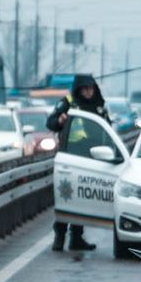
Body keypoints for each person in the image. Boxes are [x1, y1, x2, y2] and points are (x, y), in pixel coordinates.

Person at [45, 74, 111, 251]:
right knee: (65, 197)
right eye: (85, 88)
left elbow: (107, 129)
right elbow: (50, 123)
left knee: (80, 200)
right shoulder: (68, 103)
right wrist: (60, 120)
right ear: (79, 89)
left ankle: (76, 238)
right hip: (70, 160)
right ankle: (59, 236)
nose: (88, 92)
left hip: (92, 159)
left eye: (91, 88)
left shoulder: (99, 106)